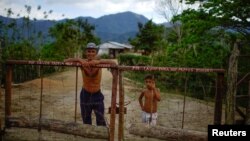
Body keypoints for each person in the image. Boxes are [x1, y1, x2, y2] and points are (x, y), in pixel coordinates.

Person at [64, 42, 116, 126]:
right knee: (86, 120)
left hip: (97, 95)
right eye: (88, 51)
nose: (90, 53)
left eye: (92, 51)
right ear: (85, 52)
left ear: (96, 53)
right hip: (85, 95)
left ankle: (101, 136)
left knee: (100, 120)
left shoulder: (99, 62)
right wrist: (79, 59)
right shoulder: (83, 63)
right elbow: (65, 61)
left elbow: (113, 63)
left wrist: (98, 62)